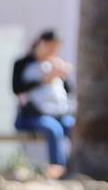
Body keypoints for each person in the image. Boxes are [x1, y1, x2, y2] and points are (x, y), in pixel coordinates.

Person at [11, 29, 75, 180]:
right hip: (32, 115)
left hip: (58, 113)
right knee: (54, 129)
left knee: (74, 127)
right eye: (50, 47)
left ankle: (73, 168)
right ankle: (57, 170)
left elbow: (68, 91)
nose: (53, 51)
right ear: (41, 44)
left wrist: (62, 74)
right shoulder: (24, 64)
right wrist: (44, 80)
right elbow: (17, 89)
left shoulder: (55, 63)